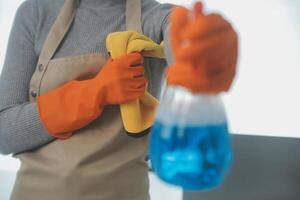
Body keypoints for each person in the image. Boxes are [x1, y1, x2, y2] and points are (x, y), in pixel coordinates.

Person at [0, 0, 237, 199]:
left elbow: (181, 33)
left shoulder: (154, 17)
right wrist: (95, 92)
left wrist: (201, 50)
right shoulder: (36, 12)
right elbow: (4, 133)